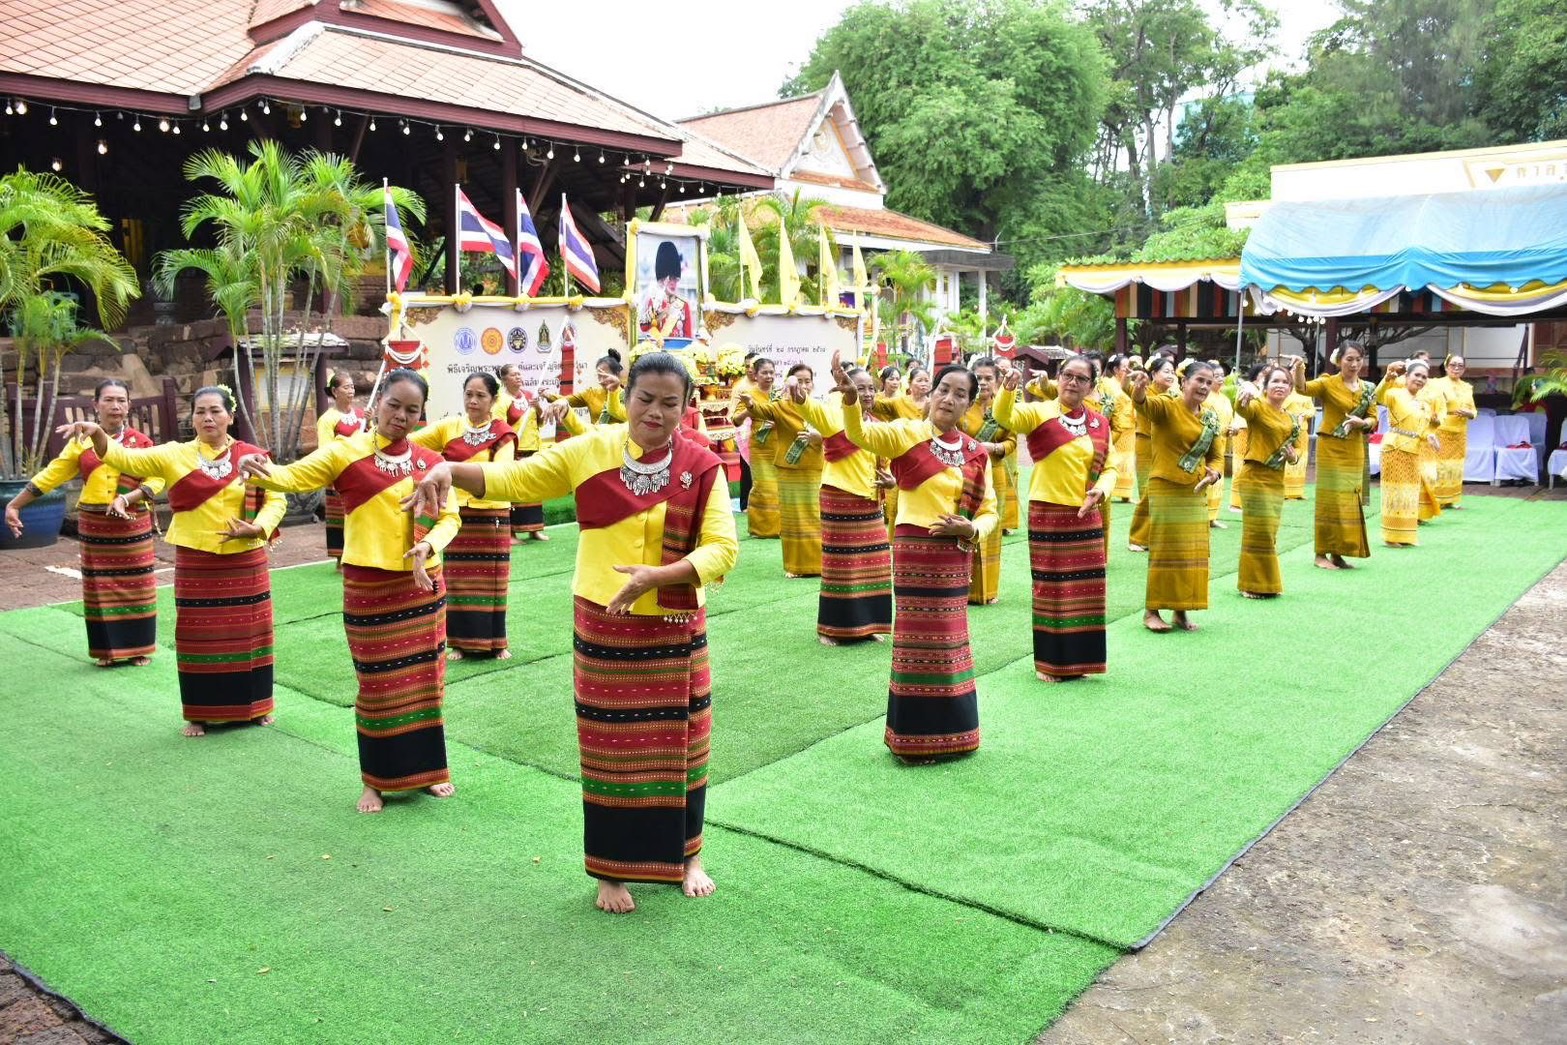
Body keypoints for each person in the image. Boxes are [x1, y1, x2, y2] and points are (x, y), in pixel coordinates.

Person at [409, 351, 738, 914]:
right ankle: (611, 871)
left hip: (676, 625)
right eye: (645, 399)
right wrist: (447, 470)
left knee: (685, 744)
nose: (655, 412)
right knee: (611, 746)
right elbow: (515, 477)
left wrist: (662, 577)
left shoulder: (701, 465)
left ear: (685, 409)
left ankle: (689, 856)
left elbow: (723, 548)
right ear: (625, 397)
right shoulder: (591, 450)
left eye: (669, 403)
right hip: (606, 621)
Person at [239, 369, 461, 812]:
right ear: (376, 402)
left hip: (421, 584)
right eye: (394, 405)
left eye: (411, 410)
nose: (401, 416)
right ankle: (375, 781)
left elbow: (450, 518)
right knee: (376, 685)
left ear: (422, 415)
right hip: (369, 587)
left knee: (425, 681)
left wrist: (427, 543)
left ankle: (431, 771)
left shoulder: (429, 462)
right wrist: (262, 470)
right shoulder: (345, 453)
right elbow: (292, 477)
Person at [63, 386, 283, 734]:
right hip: (196, 561)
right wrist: (99, 436)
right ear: (192, 418)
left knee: (250, 633)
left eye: (215, 410)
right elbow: (125, 460)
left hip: (246, 558)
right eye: (200, 411)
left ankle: (257, 707)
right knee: (198, 635)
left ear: (231, 416)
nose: (208, 417)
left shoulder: (252, 455)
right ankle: (199, 713)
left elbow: (276, 499)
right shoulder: (173, 454)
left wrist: (257, 527)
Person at [838, 356, 997, 761]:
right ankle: (911, 739)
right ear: (929, 394)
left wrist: (970, 529)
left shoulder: (977, 453)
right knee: (914, 642)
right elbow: (858, 434)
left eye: (960, 394)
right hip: (913, 553)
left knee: (951, 642)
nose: (948, 398)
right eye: (943, 390)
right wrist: (852, 400)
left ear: (969, 405)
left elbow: (991, 512)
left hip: (953, 557)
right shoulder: (905, 433)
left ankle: (958, 736)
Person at [6, 379, 162, 667]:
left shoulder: (141, 443)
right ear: (96, 404)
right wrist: (16, 504)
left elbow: (157, 477)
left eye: (122, 400)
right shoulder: (81, 442)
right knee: (99, 588)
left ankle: (139, 649)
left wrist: (128, 498)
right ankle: (107, 652)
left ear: (128, 405)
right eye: (109, 400)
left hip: (132, 523)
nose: (116, 406)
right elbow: (53, 474)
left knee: (136, 585)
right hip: (95, 525)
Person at [994, 355, 1115, 682]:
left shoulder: (1099, 423)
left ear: (1091, 386)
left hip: (1086, 515)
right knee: (1051, 589)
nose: (1073, 383)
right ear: (1058, 378)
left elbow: (1111, 468)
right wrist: (1008, 389)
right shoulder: (1039, 412)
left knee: (1086, 589)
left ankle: (1081, 662)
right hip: (1048, 513)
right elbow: (1003, 415)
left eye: (1081, 378)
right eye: (1067, 376)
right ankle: (1050, 664)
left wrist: (1101, 491)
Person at [413, 372, 518, 659]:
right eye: (468, 394)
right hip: (458, 516)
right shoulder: (450, 427)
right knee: (458, 580)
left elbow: (501, 474)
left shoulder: (502, 434)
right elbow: (411, 444)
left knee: (493, 581)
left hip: (491, 514)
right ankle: (458, 642)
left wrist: (457, 474)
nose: (473, 401)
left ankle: (497, 643)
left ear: (493, 399)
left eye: (480, 395)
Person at [790, 365, 894, 645]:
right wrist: (797, 394)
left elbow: (887, 462)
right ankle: (830, 628)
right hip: (839, 497)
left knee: (874, 563)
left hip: (871, 500)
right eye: (861, 388)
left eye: (871, 387)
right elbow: (808, 407)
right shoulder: (834, 417)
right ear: (845, 391)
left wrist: (890, 481)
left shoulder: (876, 426)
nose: (868, 393)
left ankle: (868, 625)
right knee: (841, 565)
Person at [1129, 360, 1223, 632]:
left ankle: (1181, 612)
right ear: (1184, 382)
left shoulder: (1209, 417)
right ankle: (1152, 611)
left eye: (1209, 381)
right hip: (1166, 487)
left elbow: (1216, 456)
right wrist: (1138, 389)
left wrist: (1214, 473)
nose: (1204, 386)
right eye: (1199, 380)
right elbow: (1143, 404)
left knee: (1192, 553)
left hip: (1195, 491)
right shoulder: (1166, 406)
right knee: (1165, 550)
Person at [1301, 343, 1383, 568]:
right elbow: (1302, 388)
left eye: (1358, 359)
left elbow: (1373, 418)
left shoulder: (1368, 388)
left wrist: (1363, 422)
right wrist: (1299, 368)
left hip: (1355, 447)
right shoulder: (1328, 382)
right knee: (1330, 499)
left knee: (1348, 499)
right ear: (1339, 360)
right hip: (1331, 446)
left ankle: (1339, 552)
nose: (1354, 364)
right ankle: (1320, 554)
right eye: (1349, 359)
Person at [738, 363, 823, 577]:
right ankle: (796, 567)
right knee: (793, 518)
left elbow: (835, 432)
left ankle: (818, 564)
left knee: (814, 515)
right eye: (799, 381)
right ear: (789, 384)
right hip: (789, 468)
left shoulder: (821, 406)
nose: (803, 385)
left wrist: (818, 437)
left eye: (807, 380)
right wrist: (749, 403)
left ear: (813, 383)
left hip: (814, 467)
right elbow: (760, 410)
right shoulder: (780, 406)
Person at [1233, 361, 1304, 598]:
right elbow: (1244, 410)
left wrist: (1293, 458)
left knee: (1270, 532)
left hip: (1276, 480)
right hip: (1254, 477)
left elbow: (1297, 451)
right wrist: (1242, 399)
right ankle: (1250, 585)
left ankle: (1266, 584)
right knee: (1257, 531)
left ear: (1291, 388)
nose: (1280, 386)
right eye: (1275, 381)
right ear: (1265, 386)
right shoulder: (1258, 407)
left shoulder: (1292, 419)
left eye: (1285, 382)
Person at [956, 357, 1014, 604]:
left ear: (997, 381)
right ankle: (963, 587)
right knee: (966, 524)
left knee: (990, 529)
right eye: (978, 378)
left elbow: (1012, 440)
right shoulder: (963, 405)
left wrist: (996, 447)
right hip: (964, 472)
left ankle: (988, 591)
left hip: (996, 472)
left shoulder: (1003, 408)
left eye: (989, 378)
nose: (984, 383)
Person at [1377, 359, 1442, 546]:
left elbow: (1423, 429)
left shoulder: (1424, 404)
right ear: (1406, 376)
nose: (1420, 379)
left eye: (1424, 377)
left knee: (1409, 493)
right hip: (1395, 448)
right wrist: (1387, 378)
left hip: (1414, 451)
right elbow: (1377, 397)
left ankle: (1405, 535)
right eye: (1417, 375)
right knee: (1394, 492)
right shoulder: (1394, 394)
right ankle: (1391, 536)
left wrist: (1430, 436)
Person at [494, 363, 549, 542]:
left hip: (533, 448)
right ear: (504, 379)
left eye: (519, 374)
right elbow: (499, 426)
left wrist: (537, 407)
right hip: (514, 450)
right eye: (514, 375)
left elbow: (540, 422)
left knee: (534, 490)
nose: (518, 377)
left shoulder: (529, 396)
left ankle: (535, 529)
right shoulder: (501, 400)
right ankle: (511, 533)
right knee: (515, 492)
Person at [1127, 356, 1178, 552]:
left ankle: (1156, 536)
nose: (1170, 375)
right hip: (1146, 444)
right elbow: (1130, 391)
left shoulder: (1175, 394)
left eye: (1172, 372)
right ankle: (1138, 538)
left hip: (1166, 447)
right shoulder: (1143, 390)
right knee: (1149, 491)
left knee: (1163, 491)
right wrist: (1137, 384)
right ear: (1153, 374)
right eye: (1165, 371)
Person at [316, 370, 366, 564]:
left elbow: (371, 440)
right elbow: (326, 449)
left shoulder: (362, 415)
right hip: (340, 472)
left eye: (352, 386)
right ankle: (341, 558)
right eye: (346, 387)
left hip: (362, 472)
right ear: (335, 392)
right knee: (340, 515)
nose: (351, 391)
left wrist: (369, 423)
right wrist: (349, 441)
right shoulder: (327, 419)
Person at [732, 356, 780, 538]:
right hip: (760, 447)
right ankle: (760, 529)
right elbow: (736, 421)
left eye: (771, 372)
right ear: (756, 374)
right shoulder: (748, 394)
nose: (768, 376)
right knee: (762, 487)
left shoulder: (779, 393)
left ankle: (778, 528)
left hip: (779, 445)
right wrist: (750, 408)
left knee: (778, 487)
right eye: (764, 373)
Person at [1428, 354, 1478, 508]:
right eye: (1453, 365)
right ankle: (1438, 499)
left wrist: (1470, 414)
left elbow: (1473, 410)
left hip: (1460, 430)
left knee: (1456, 465)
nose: (1456, 368)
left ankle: (1451, 499)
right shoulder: (1436, 384)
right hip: (1442, 429)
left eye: (1460, 366)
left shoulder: (1467, 387)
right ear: (1446, 366)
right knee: (1440, 464)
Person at [638, 241, 695, 340]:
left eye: (675, 279)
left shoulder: (684, 305)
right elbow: (644, 327)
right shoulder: (654, 302)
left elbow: (688, 337)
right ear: (662, 280)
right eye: (669, 279)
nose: (673, 283)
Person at [1203, 362, 1236, 529]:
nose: (1220, 379)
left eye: (1222, 375)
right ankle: (1204, 515)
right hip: (1208, 443)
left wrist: (1231, 430)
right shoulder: (1205, 397)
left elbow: (1229, 419)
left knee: (1219, 480)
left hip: (1222, 442)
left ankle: (1213, 516)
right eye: (1216, 376)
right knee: (1208, 476)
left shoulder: (1224, 399)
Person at [1105, 354, 1139, 504]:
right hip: (1116, 427)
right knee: (1113, 459)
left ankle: (1126, 494)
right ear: (1115, 369)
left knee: (1129, 461)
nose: (1128, 369)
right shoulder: (1108, 384)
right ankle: (1108, 489)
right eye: (1124, 367)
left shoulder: (1130, 384)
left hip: (1131, 426)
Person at [1281, 384, 1315, 501]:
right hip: (1287, 428)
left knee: (1302, 456)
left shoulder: (1306, 394)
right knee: (1287, 454)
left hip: (1302, 429)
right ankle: (1285, 491)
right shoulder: (1285, 390)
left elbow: (1312, 410)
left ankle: (1298, 492)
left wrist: (1304, 414)